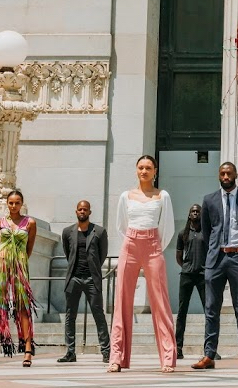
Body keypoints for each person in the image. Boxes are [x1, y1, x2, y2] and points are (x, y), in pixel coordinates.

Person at [108, 154, 177, 373]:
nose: (144, 171)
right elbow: (121, 225)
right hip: (130, 244)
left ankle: (168, 357)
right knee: (122, 301)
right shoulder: (126, 196)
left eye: (148, 168)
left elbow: (167, 227)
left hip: (153, 245)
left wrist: (154, 245)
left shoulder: (162, 195)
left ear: (155, 171)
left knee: (160, 301)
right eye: (140, 167)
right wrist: (133, 241)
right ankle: (117, 358)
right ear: (136, 170)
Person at [192, 161, 238, 370]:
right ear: (218, 176)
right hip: (216, 259)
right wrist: (212, 254)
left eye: (229, 173)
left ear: (236, 174)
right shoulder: (209, 200)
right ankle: (209, 355)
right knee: (212, 308)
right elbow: (206, 230)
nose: (225, 176)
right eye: (222, 173)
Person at [0, 189, 37, 368]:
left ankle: (28, 349)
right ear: (7, 203)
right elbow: (0, 244)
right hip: (1, 264)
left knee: (23, 306)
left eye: (17, 202)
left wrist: (19, 260)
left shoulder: (30, 223)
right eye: (11, 203)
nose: (14, 206)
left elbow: (29, 248)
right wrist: (7, 258)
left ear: (22, 204)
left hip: (20, 265)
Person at [57, 199, 111, 363]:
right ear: (76, 211)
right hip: (74, 278)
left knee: (98, 314)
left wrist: (93, 270)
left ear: (89, 212)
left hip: (91, 279)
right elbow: (68, 253)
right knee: (70, 315)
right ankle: (70, 352)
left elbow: (102, 255)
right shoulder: (67, 232)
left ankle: (107, 351)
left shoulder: (99, 232)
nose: (82, 211)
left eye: (85, 209)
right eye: (80, 209)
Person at [174, 204, 208, 360]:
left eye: (197, 211)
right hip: (187, 275)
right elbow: (178, 256)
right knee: (182, 312)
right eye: (192, 211)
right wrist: (187, 266)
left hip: (203, 275)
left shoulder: (207, 233)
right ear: (189, 215)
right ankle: (178, 348)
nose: (195, 213)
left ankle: (210, 349)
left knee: (209, 312)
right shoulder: (183, 234)